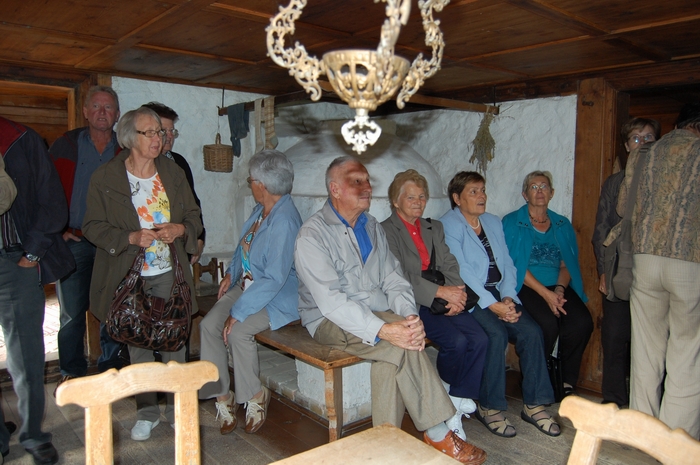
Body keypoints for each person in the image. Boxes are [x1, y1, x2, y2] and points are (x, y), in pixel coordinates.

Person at [295, 157, 487, 465]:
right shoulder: (313, 234)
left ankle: (385, 449)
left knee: (397, 348)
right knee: (400, 344)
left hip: (376, 311)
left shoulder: (370, 225)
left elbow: (394, 279)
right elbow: (331, 302)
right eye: (356, 181)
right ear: (334, 189)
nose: (366, 187)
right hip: (327, 318)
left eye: (367, 181)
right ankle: (438, 432)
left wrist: (409, 317)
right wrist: (384, 329)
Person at [83, 107, 202, 441]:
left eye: (160, 132)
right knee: (137, 344)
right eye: (149, 132)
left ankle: (179, 411)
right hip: (128, 273)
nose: (158, 138)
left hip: (167, 270)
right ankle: (147, 413)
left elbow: (193, 215)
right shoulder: (105, 177)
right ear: (129, 138)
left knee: (174, 342)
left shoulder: (172, 172)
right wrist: (130, 238)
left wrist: (180, 229)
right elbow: (92, 226)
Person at [441, 171, 558, 438]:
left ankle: (535, 404)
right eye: (473, 191)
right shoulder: (449, 224)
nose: (481, 196)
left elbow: (506, 263)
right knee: (495, 334)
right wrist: (493, 305)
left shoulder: (492, 221)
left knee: (531, 332)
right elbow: (461, 270)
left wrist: (507, 298)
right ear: (457, 198)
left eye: (482, 190)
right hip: (471, 296)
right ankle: (489, 406)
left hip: (498, 293)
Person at [609, 104, 700, 439]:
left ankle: (641, 433)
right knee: (686, 351)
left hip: (645, 259)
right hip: (690, 260)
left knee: (646, 350)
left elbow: (623, 208)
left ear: (677, 126)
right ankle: (675, 438)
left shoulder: (644, 153)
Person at [199, 149, 302, 435]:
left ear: (262, 185)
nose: (250, 184)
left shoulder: (284, 220)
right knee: (208, 325)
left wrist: (239, 312)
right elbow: (243, 248)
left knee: (237, 331)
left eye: (251, 180)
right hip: (248, 285)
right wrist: (231, 274)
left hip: (278, 295)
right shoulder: (261, 211)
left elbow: (275, 277)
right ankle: (222, 396)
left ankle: (255, 395)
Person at [380, 169, 487, 440]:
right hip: (411, 303)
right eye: (410, 197)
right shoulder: (385, 230)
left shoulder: (433, 227)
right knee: (457, 342)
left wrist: (457, 294)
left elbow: (449, 262)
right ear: (395, 201)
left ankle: (453, 400)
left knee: (480, 338)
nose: (418, 202)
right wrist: (441, 291)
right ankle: (449, 402)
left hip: (442, 298)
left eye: (422, 197)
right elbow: (398, 275)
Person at [0, 116, 75, 464]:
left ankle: (32, 433)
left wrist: (31, 253)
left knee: (26, 356)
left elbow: (52, 202)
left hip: (14, 262)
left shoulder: (20, 138)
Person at [50, 85, 126, 386]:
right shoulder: (66, 145)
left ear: (117, 114)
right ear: (85, 111)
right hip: (75, 240)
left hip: (112, 243)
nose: (102, 112)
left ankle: (111, 369)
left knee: (113, 307)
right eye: (96, 106)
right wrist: (58, 230)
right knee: (71, 312)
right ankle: (71, 372)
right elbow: (47, 189)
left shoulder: (126, 149)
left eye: (108, 107)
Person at [502, 171, 593, 397]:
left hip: (557, 286)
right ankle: (534, 379)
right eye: (533, 187)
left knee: (581, 322)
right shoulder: (512, 222)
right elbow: (514, 266)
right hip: (526, 286)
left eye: (544, 186)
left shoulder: (562, 224)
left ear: (552, 193)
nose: (539, 190)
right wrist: (546, 294)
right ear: (525, 195)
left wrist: (560, 290)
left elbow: (567, 264)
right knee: (547, 325)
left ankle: (565, 380)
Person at [592, 117, 660, 408]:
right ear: (626, 145)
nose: (642, 143)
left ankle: (648, 405)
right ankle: (614, 402)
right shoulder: (614, 183)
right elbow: (601, 230)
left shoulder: (663, 181)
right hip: (619, 269)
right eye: (636, 138)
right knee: (615, 337)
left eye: (648, 137)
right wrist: (603, 271)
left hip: (654, 271)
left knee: (651, 341)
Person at [141, 102, 206, 264]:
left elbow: (193, 203)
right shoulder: (138, 164)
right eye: (164, 130)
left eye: (172, 131)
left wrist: (199, 237)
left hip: (177, 243)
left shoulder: (179, 162)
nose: (169, 136)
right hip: (147, 248)